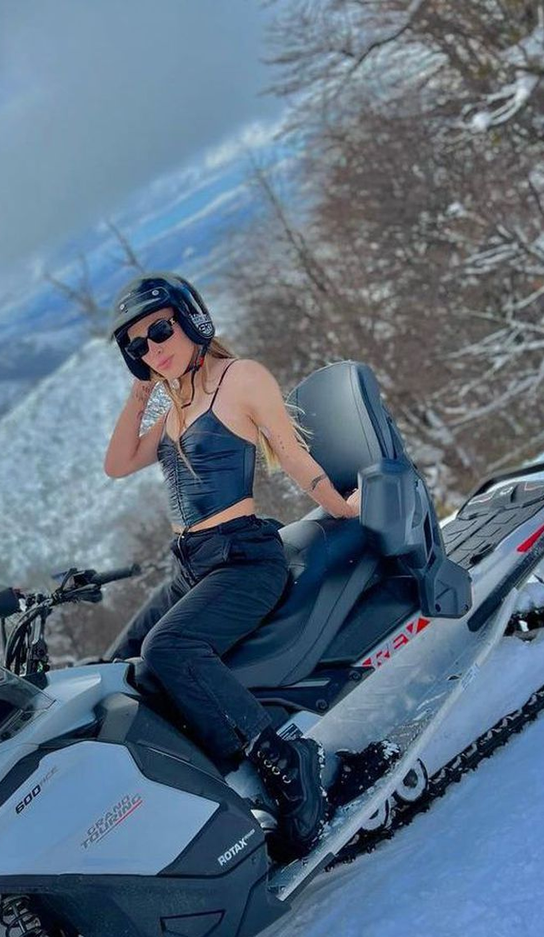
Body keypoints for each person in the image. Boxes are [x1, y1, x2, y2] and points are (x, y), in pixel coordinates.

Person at [102, 273, 361, 855]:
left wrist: (341, 506)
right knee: (116, 667)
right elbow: (118, 464)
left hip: (244, 559)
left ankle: (285, 762)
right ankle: (207, 783)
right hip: (190, 565)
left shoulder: (239, 379)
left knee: (169, 649)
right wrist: (143, 388)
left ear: (191, 320)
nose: (153, 348)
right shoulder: (173, 403)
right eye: (137, 346)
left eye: (161, 330)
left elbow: (290, 452)